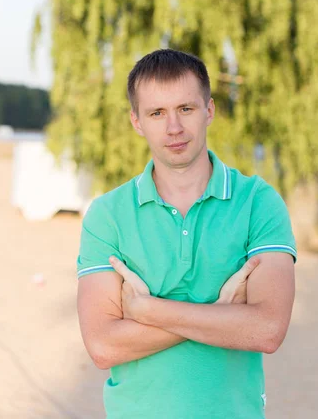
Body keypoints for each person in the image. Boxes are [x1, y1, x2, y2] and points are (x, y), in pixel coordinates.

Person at [77, 48, 297, 419]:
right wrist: (220, 313)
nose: (173, 128)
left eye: (186, 109)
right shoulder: (108, 214)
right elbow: (103, 347)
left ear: (209, 111)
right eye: (157, 113)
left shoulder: (258, 202)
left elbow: (267, 330)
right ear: (136, 121)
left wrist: (148, 311)